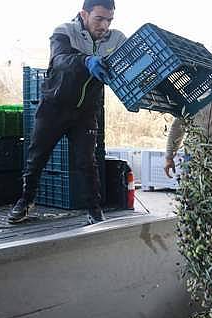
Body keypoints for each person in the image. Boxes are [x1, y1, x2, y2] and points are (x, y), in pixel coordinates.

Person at [8, 0, 126, 224]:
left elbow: (132, 62)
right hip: (54, 107)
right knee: (37, 157)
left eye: (109, 20)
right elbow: (60, 60)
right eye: (99, 18)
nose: (104, 26)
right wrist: (86, 61)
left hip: (86, 111)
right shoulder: (64, 31)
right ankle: (26, 201)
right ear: (84, 14)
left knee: (87, 162)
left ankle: (93, 209)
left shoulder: (116, 39)